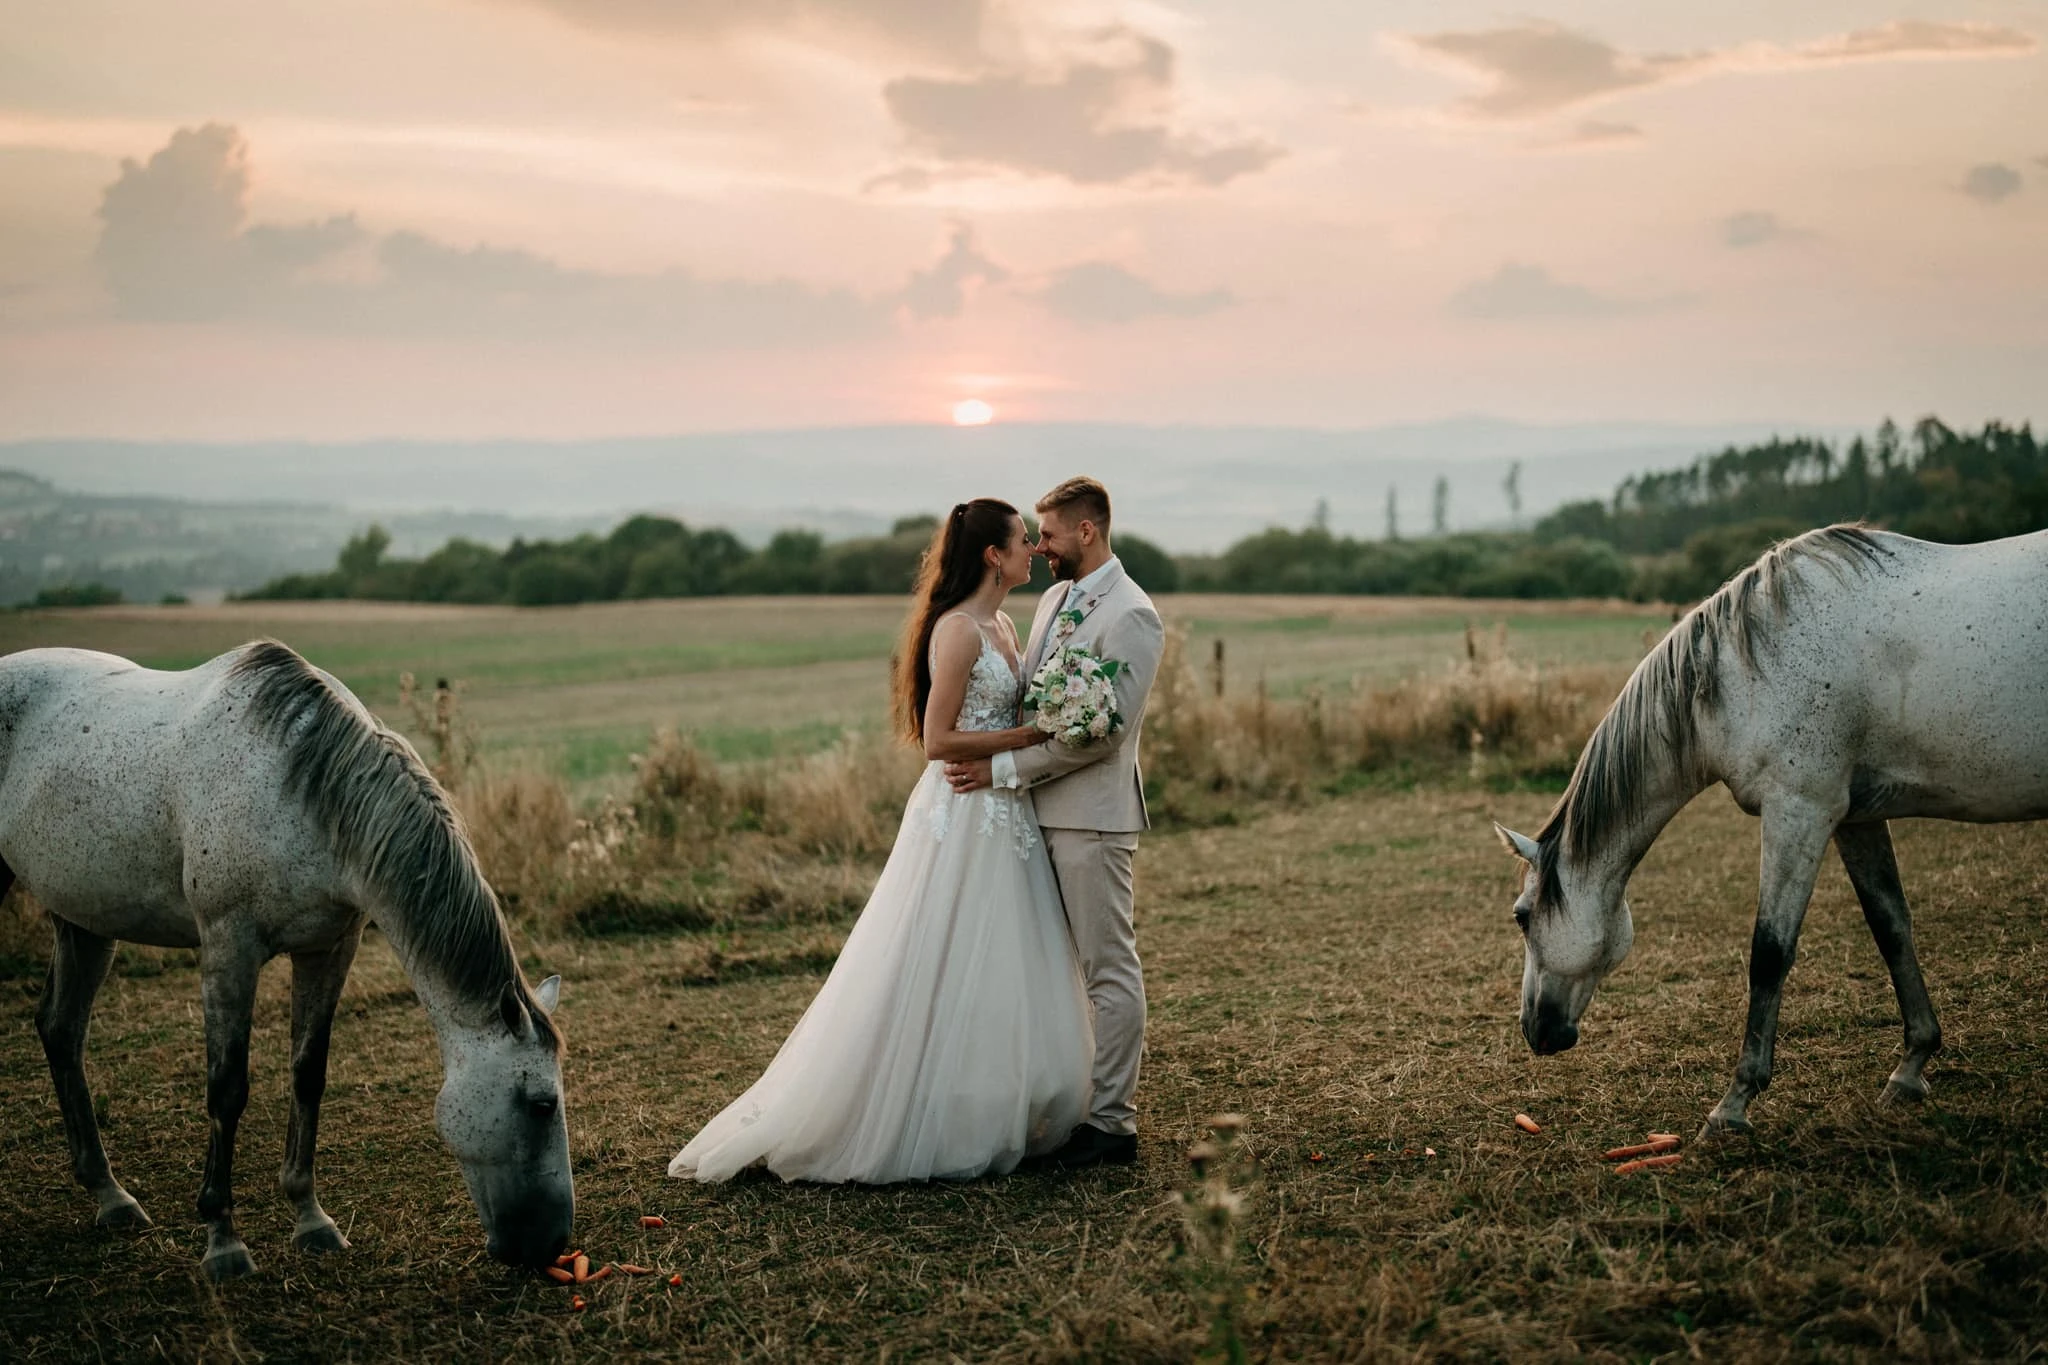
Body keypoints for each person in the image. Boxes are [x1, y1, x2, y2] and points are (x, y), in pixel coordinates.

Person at [669, 499, 1091, 1183]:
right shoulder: (957, 630)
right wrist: (1030, 736)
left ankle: (993, 1096)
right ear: (994, 555)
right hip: (961, 810)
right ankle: (906, 1101)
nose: (1034, 550)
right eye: (1022, 539)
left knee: (1001, 955)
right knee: (937, 950)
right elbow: (938, 740)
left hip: (1005, 808)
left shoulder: (1007, 624)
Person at [946, 477, 1165, 1170]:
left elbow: (1102, 735)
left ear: (1086, 532)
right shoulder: (1051, 600)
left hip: (1090, 820)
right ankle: (1060, 1104)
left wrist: (1002, 769)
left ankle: (1112, 1125)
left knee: (1108, 969)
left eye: (1048, 534)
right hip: (1030, 816)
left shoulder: (1132, 615)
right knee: (1050, 971)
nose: (1040, 548)